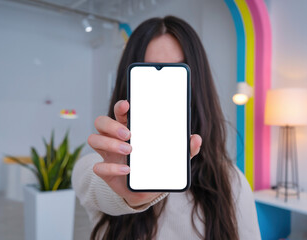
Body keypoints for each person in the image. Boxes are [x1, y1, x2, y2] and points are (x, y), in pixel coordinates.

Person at [72, 16, 260, 240]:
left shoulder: (231, 182)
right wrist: (129, 194)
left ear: (196, 86)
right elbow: (91, 180)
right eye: (148, 74)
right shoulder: (100, 167)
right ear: (128, 84)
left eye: (177, 73)